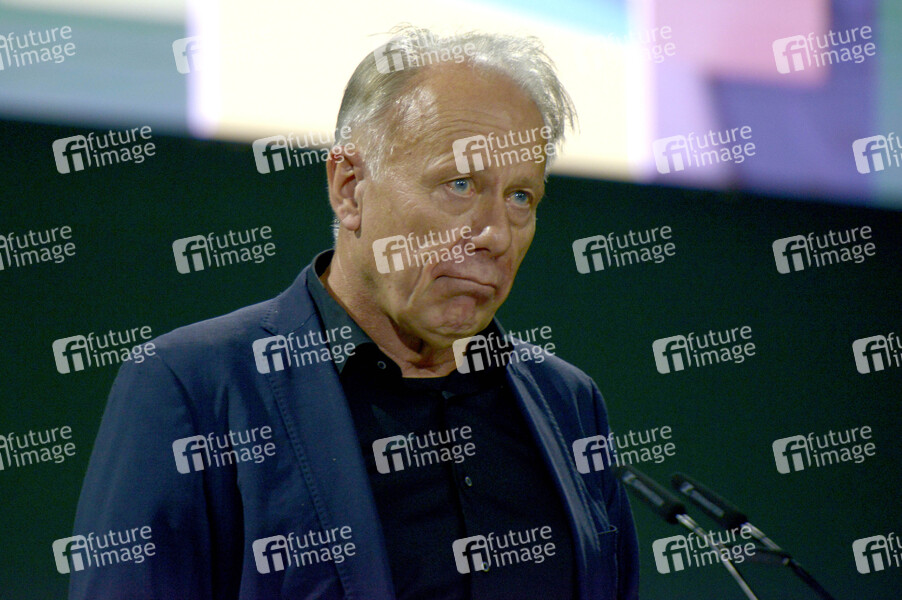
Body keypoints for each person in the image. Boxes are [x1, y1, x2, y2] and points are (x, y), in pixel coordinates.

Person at [69, 25, 639, 600]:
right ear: (349, 188)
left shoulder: (568, 403)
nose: (495, 233)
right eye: (460, 183)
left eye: (520, 197)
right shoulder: (194, 386)